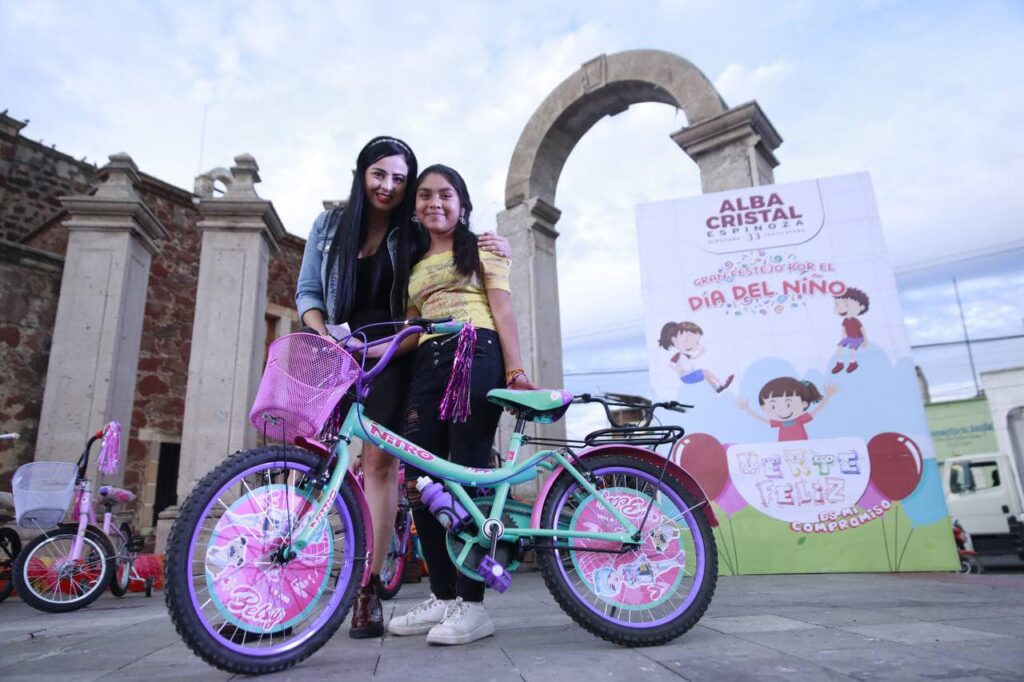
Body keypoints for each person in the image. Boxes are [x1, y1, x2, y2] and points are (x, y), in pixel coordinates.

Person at [295, 137, 509, 638]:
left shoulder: (411, 230)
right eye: (379, 174)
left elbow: (453, 242)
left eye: (398, 178)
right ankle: (443, 592)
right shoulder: (329, 227)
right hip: (344, 344)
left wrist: (494, 244)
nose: (388, 186)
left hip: (401, 349)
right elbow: (308, 290)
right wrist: (324, 334)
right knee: (377, 464)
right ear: (361, 173)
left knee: (386, 462)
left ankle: (368, 588)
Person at [386, 164, 536, 646]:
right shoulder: (412, 266)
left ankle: (473, 606)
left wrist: (516, 373)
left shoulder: (483, 249)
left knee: (465, 477)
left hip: (476, 355)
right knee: (420, 482)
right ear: (415, 208)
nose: (435, 202)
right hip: (427, 366)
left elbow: (503, 308)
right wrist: (368, 351)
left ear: (462, 204)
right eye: (426, 195)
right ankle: (445, 596)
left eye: (446, 194)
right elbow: (411, 331)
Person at [735, 377, 838, 441]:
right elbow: (762, 419)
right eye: (773, 406)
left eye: (788, 404)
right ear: (764, 407)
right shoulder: (779, 423)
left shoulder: (800, 419)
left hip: (803, 447)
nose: (780, 410)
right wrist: (747, 409)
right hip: (784, 448)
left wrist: (828, 397)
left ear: (804, 404)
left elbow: (816, 410)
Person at [657, 320, 733, 392]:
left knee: (706, 372)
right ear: (674, 339)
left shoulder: (685, 355)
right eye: (686, 340)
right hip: (687, 377)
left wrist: (700, 353)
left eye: (696, 342)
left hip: (691, 374)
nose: (691, 345)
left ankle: (718, 387)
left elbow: (694, 357)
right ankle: (720, 384)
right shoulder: (677, 356)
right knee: (705, 372)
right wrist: (679, 371)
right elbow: (670, 365)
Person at [831, 287, 870, 374]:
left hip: (857, 338)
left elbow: (862, 330)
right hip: (849, 337)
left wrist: (865, 340)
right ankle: (840, 363)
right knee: (839, 347)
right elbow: (844, 329)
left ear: (861, 307)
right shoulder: (845, 320)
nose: (841, 308)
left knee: (852, 349)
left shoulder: (856, 321)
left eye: (846, 304)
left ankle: (853, 363)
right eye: (837, 304)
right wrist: (843, 339)